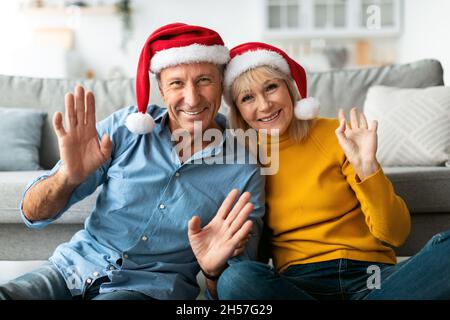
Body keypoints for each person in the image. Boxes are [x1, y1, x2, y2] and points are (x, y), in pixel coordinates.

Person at [0, 24, 265, 300]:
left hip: (148, 289)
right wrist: (66, 178)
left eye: (204, 81)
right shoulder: (125, 129)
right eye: (177, 83)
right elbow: (32, 214)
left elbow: (237, 287)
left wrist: (212, 273)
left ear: (221, 84)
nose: (192, 97)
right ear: (161, 89)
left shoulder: (243, 169)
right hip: (70, 269)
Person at [216, 42, 450, 300]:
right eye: (247, 98)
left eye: (271, 87)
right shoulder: (243, 160)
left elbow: (395, 233)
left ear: (290, 87)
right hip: (300, 287)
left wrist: (368, 169)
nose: (264, 105)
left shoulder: (337, 135)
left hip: (373, 280)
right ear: (237, 110)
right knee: (236, 279)